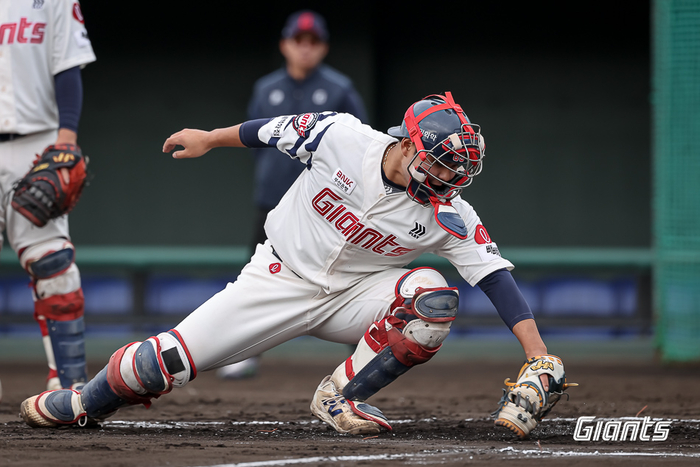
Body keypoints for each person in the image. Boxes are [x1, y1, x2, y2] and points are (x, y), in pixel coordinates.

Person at [20, 92, 575, 439]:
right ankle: (82, 402)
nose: (450, 178)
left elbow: (494, 278)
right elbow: (266, 131)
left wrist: (538, 355)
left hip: (356, 296)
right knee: (156, 364)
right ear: (408, 145)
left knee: (432, 298)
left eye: (457, 169)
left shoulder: (449, 211)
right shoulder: (341, 136)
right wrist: (209, 139)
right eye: (441, 163)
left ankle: (341, 397)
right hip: (278, 278)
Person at [218, 9, 367, 380]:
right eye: (298, 40)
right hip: (273, 200)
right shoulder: (266, 88)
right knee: (256, 275)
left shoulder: (339, 88)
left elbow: (360, 143)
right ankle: (244, 353)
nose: (305, 48)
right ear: (285, 45)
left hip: (326, 206)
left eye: (313, 41)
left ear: (323, 47)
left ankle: (361, 359)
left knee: (343, 274)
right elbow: (254, 142)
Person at [0, 0, 95, 392]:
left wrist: (66, 138)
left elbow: (67, 66)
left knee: (55, 267)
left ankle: (69, 389)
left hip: (36, 142)